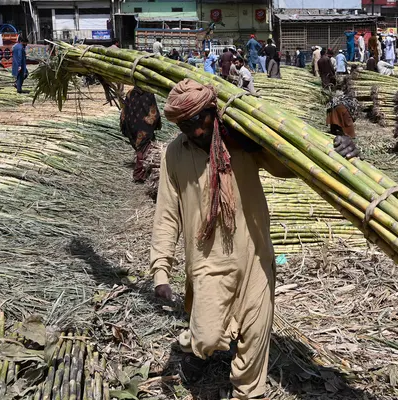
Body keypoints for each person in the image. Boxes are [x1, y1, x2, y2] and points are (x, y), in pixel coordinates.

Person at [151, 79, 357, 400]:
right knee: (206, 335)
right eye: (184, 125)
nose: (195, 131)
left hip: (254, 255)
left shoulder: (239, 140)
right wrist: (161, 270)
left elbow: (289, 164)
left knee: (256, 336)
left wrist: (334, 148)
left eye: (198, 121)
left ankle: (248, 392)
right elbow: (166, 214)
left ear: (212, 111)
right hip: (208, 261)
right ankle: (194, 348)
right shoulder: (175, 154)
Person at [121, 86, 161, 182]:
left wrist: (125, 123)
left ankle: (145, 170)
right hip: (143, 126)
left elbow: (124, 111)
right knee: (143, 149)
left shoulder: (130, 92)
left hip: (132, 125)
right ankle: (139, 175)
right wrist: (152, 121)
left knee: (141, 148)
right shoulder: (148, 93)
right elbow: (153, 112)